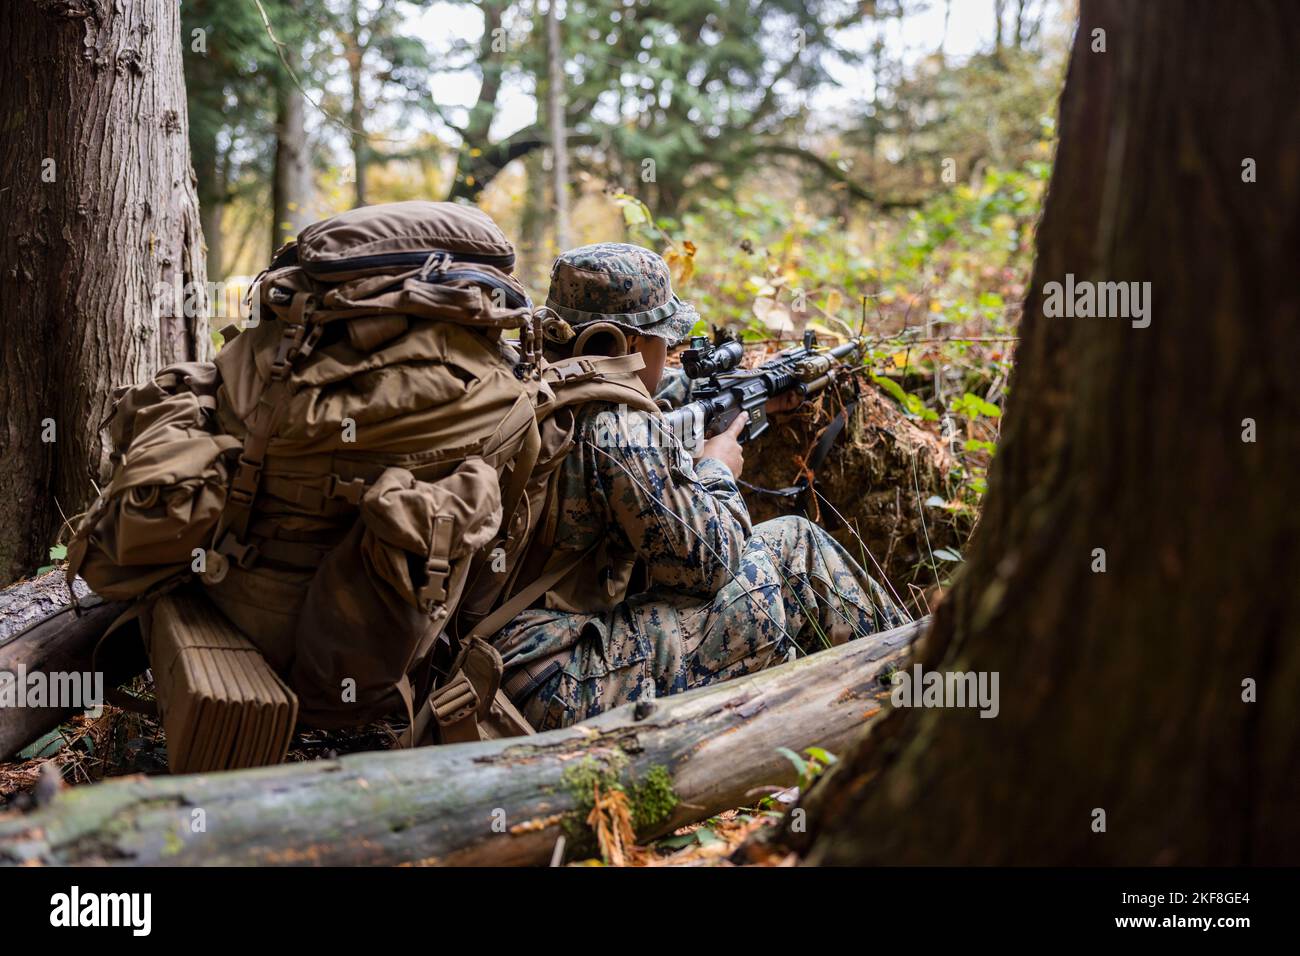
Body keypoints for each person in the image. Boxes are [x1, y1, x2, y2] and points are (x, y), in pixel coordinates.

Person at [496, 242, 908, 730]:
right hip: (559, 687)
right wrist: (716, 468)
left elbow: (654, 386)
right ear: (627, 345)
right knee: (796, 548)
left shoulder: (526, 384)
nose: (669, 354)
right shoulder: (621, 431)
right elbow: (710, 567)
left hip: (499, 661)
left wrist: (754, 393)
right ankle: (917, 694)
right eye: (663, 342)